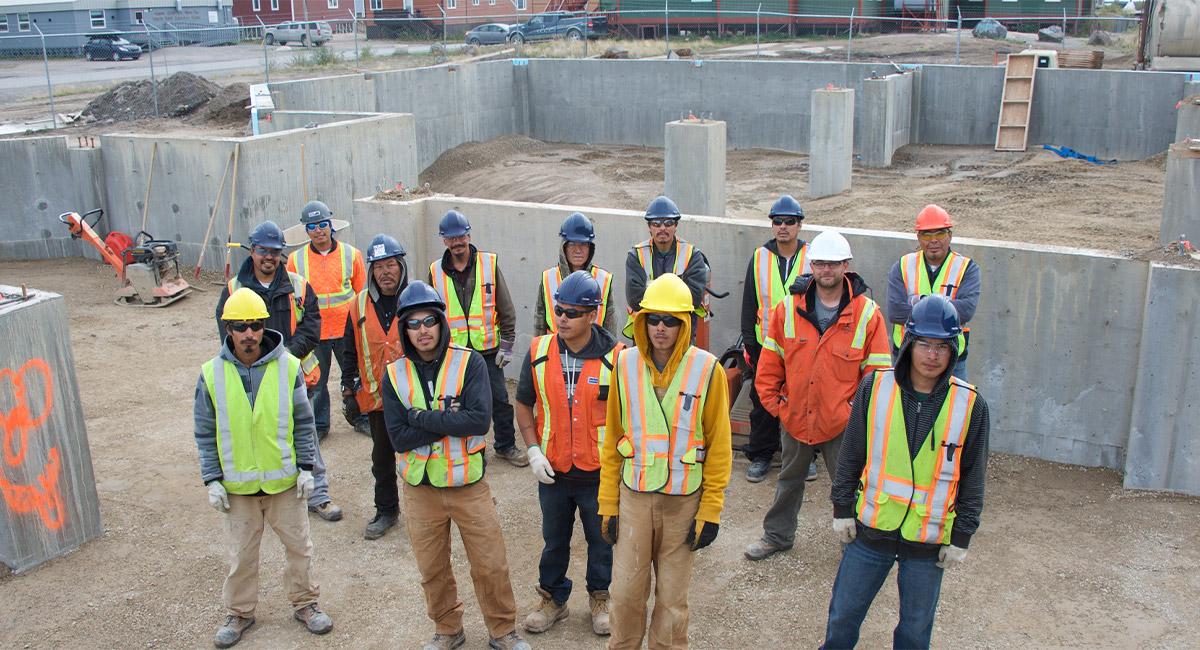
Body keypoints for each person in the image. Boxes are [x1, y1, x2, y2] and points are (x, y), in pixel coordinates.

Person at [822, 295, 990, 650]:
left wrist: (962, 535)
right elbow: (852, 453)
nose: (932, 355)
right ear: (909, 343)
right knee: (842, 619)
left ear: (954, 350)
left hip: (927, 541)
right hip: (871, 531)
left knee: (914, 633)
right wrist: (841, 508)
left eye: (942, 346)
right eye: (925, 344)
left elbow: (973, 477)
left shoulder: (971, 405)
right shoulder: (875, 387)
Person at [382, 281, 531, 650]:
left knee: (491, 563)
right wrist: (449, 419)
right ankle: (447, 629)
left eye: (429, 321)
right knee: (432, 568)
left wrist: (419, 417)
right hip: (421, 489)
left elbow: (478, 421)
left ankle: (503, 630)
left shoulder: (470, 363)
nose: (422, 330)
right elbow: (398, 437)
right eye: (413, 324)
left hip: (468, 485)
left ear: (440, 322)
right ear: (404, 329)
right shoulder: (394, 374)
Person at [194, 288, 333, 648]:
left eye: (255, 325)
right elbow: (205, 432)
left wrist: (307, 468)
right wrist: (212, 479)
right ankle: (239, 613)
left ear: (264, 326)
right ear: (228, 329)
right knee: (241, 556)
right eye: (240, 326)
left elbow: (304, 423)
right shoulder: (211, 374)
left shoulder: (288, 367)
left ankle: (306, 603)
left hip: (284, 483)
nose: (249, 333)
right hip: (238, 488)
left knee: (299, 548)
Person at [599, 273, 732, 650]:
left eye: (670, 320)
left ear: (685, 323)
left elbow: (720, 448)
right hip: (635, 499)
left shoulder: (708, 371)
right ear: (642, 321)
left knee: (672, 602)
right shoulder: (624, 366)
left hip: (683, 504)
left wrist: (711, 510)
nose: (660, 328)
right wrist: (608, 503)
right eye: (653, 319)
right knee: (625, 595)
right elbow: (612, 441)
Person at [743, 231, 891, 562]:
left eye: (833, 264)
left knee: (849, 484)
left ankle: (856, 546)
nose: (826, 270)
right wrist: (779, 407)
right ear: (812, 266)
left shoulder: (867, 314)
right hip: (795, 415)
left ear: (846, 266)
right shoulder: (788, 309)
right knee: (789, 480)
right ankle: (777, 536)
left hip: (842, 422)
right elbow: (769, 365)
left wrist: (855, 413)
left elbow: (878, 375)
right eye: (821, 263)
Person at [515, 271, 621, 637]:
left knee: (601, 540)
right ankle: (553, 599)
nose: (562, 318)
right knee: (554, 540)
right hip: (554, 471)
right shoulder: (539, 352)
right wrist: (532, 450)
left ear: (592, 315)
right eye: (559, 310)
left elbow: (627, 416)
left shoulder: (616, 358)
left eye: (572, 313)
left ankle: (600, 598)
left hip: (598, 474)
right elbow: (523, 402)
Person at [215, 221, 343, 522]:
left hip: (292, 375)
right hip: (250, 377)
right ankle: (263, 496)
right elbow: (226, 333)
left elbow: (311, 327)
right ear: (252, 251)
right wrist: (258, 362)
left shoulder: (298, 286)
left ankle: (318, 495)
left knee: (305, 433)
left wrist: (284, 358)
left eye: (275, 252)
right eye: (263, 251)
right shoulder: (234, 290)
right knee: (258, 434)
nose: (269, 257)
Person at [427, 209, 528, 467]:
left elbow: (506, 308)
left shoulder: (488, 265)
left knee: (499, 400)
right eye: (451, 238)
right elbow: (433, 315)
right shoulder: (435, 272)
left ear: (469, 236)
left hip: (488, 351)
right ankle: (469, 450)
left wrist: (507, 345)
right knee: (459, 404)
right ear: (444, 240)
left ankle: (505, 445)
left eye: (461, 236)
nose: (457, 242)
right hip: (454, 353)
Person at [739, 195, 812, 483]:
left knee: (802, 400)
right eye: (777, 221)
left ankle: (804, 457)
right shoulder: (759, 257)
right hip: (766, 345)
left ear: (799, 225)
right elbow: (749, 302)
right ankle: (761, 454)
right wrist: (749, 343)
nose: (783, 226)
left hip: (802, 345)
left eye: (789, 221)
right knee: (763, 402)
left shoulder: (812, 257)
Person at [340, 234, 408, 540]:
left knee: (421, 457)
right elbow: (349, 351)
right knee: (382, 460)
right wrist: (348, 390)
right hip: (377, 400)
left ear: (401, 266)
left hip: (413, 398)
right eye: (378, 266)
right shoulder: (358, 304)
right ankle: (387, 510)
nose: (385, 272)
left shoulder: (416, 298)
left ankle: (429, 512)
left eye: (390, 264)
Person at [285, 200, 367, 438]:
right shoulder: (295, 260)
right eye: (312, 226)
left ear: (331, 225)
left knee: (355, 375)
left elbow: (361, 293)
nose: (318, 230)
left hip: (346, 329)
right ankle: (320, 426)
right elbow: (293, 297)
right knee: (316, 382)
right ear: (306, 230)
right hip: (314, 332)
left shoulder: (352, 255)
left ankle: (361, 417)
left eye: (323, 224)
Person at [885, 204, 980, 380]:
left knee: (955, 399)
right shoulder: (903, 266)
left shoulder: (966, 268)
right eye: (926, 235)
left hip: (951, 358)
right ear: (918, 237)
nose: (933, 240)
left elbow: (966, 310)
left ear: (950, 235)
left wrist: (916, 304)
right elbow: (895, 311)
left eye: (940, 234)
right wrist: (945, 311)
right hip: (907, 355)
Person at [623, 196, 710, 331]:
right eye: (656, 224)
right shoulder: (636, 256)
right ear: (649, 227)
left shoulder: (692, 255)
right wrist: (677, 291)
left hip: (681, 331)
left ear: (676, 226)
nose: (662, 228)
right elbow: (635, 299)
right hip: (646, 331)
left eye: (668, 223)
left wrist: (651, 290)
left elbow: (694, 298)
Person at [534, 212, 618, 337]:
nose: (578, 250)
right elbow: (539, 323)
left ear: (590, 248)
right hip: (556, 347)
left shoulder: (603, 279)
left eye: (583, 244)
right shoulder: (548, 278)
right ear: (564, 247)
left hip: (593, 348)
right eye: (572, 244)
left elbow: (610, 326)